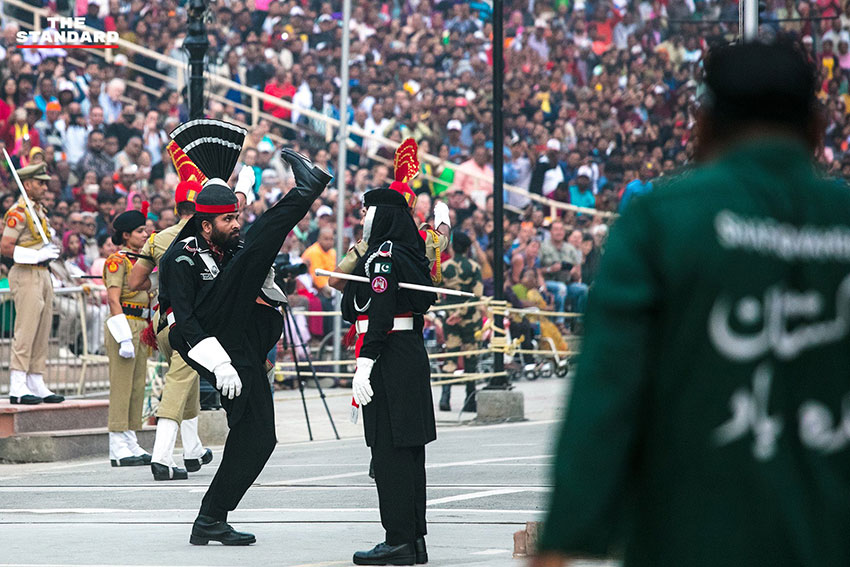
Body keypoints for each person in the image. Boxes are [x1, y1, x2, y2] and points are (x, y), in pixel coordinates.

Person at [533, 40, 850, 567]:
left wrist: (563, 538)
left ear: (702, 127)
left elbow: (605, 398)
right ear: (817, 130)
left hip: (691, 543)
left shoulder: (661, 222)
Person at [158, 119, 330, 546]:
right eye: (229, 218)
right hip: (206, 333)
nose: (236, 223)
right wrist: (218, 364)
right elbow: (185, 321)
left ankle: (211, 518)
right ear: (204, 224)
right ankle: (305, 190)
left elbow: (249, 256)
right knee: (256, 246)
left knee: (259, 439)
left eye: (238, 214)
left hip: (243, 344)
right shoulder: (180, 258)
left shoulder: (227, 241)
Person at [342, 149, 438, 566]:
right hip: (409, 354)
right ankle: (413, 538)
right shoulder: (409, 254)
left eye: (367, 210)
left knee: (389, 449)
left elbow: (377, 315)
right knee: (409, 449)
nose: (363, 217)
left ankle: (397, 538)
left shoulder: (383, 257)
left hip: (387, 357)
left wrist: (366, 362)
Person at [128, 175, 211, 481]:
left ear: (177, 208)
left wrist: (163, 283)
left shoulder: (157, 239)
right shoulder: (207, 238)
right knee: (179, 380)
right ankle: (162, 457)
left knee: (187, 376)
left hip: (162, 323)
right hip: (191, 325)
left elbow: (135, 282)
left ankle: (193, 451)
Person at [0, 163, 64, 404]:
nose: (45, 187)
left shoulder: (38, 211)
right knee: (26, 329)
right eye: (40, 182)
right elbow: (5, 247)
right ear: (27, 185)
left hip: (43, 273)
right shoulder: (18, 213)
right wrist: (36, 255)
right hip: (26, 272)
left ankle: (36, 379)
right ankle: (17, 383)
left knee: (42, 329)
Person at [103, 207, 152, 466]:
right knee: (122, 385)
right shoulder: (117, 261)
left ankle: (130, 437)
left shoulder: (141, 261)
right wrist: (123, 337)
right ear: (126, 235)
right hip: (125, 323)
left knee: (136, 387)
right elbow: (113, 299)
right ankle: (117, 444)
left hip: (141, 324)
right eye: (140, 231)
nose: (145, 234)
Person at [438, 230, 483, 413]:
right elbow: (477, 295)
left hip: (450, 318)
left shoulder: (445, 267)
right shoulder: (474, 267)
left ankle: (445, 397)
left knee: (451, 356)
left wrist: (449, 310)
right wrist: (462, 311)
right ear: (467, 248)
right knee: (470, 358)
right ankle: (470, 400)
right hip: (470, 318)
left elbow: (435, 292)